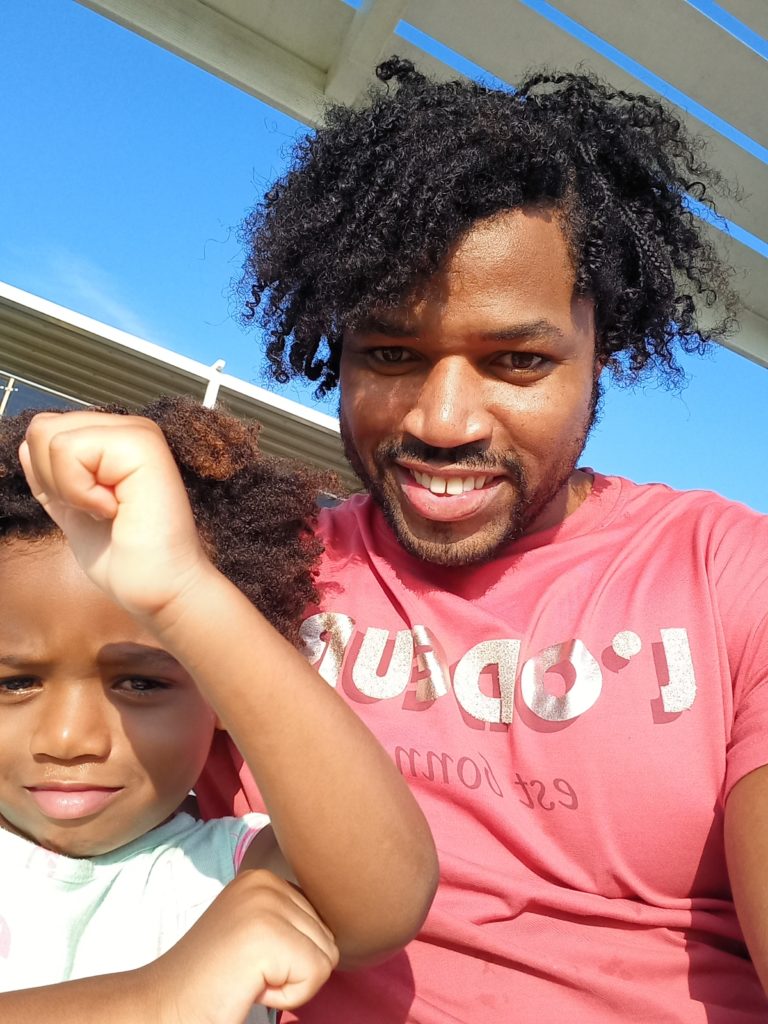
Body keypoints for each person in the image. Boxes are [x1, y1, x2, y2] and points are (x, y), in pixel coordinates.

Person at [197, 57, 768, 1023]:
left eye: (516, 360)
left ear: (605, 351)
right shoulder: (254, 574)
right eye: (390, 352)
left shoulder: (728, 575)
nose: (447, 418)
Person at [0, 396, 437, 1024]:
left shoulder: (225, 876)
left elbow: (384, 904)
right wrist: (155, 999)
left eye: (142, 684)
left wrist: (185, 595)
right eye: (14, 683)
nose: (68, 739)